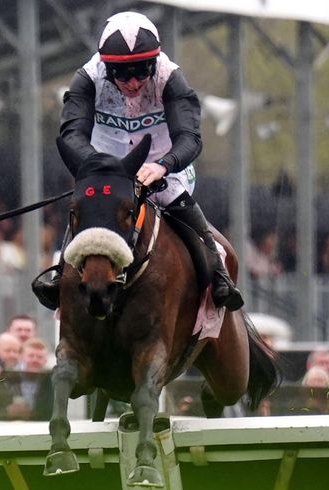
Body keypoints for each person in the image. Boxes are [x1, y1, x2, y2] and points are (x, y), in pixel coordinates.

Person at [32, 11, 243, 312]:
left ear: (153, 64)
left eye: (141, 72)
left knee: (172, 197)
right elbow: (70, 133)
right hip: (105, 164)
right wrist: (100, 167)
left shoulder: (170, 78)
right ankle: (58, 276)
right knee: (90, 205)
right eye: (122, 74)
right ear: (107, 69)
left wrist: (164, 165)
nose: (133, 82)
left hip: (161, 163)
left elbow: (190, 138)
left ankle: (218, 274)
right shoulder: (87, 78)